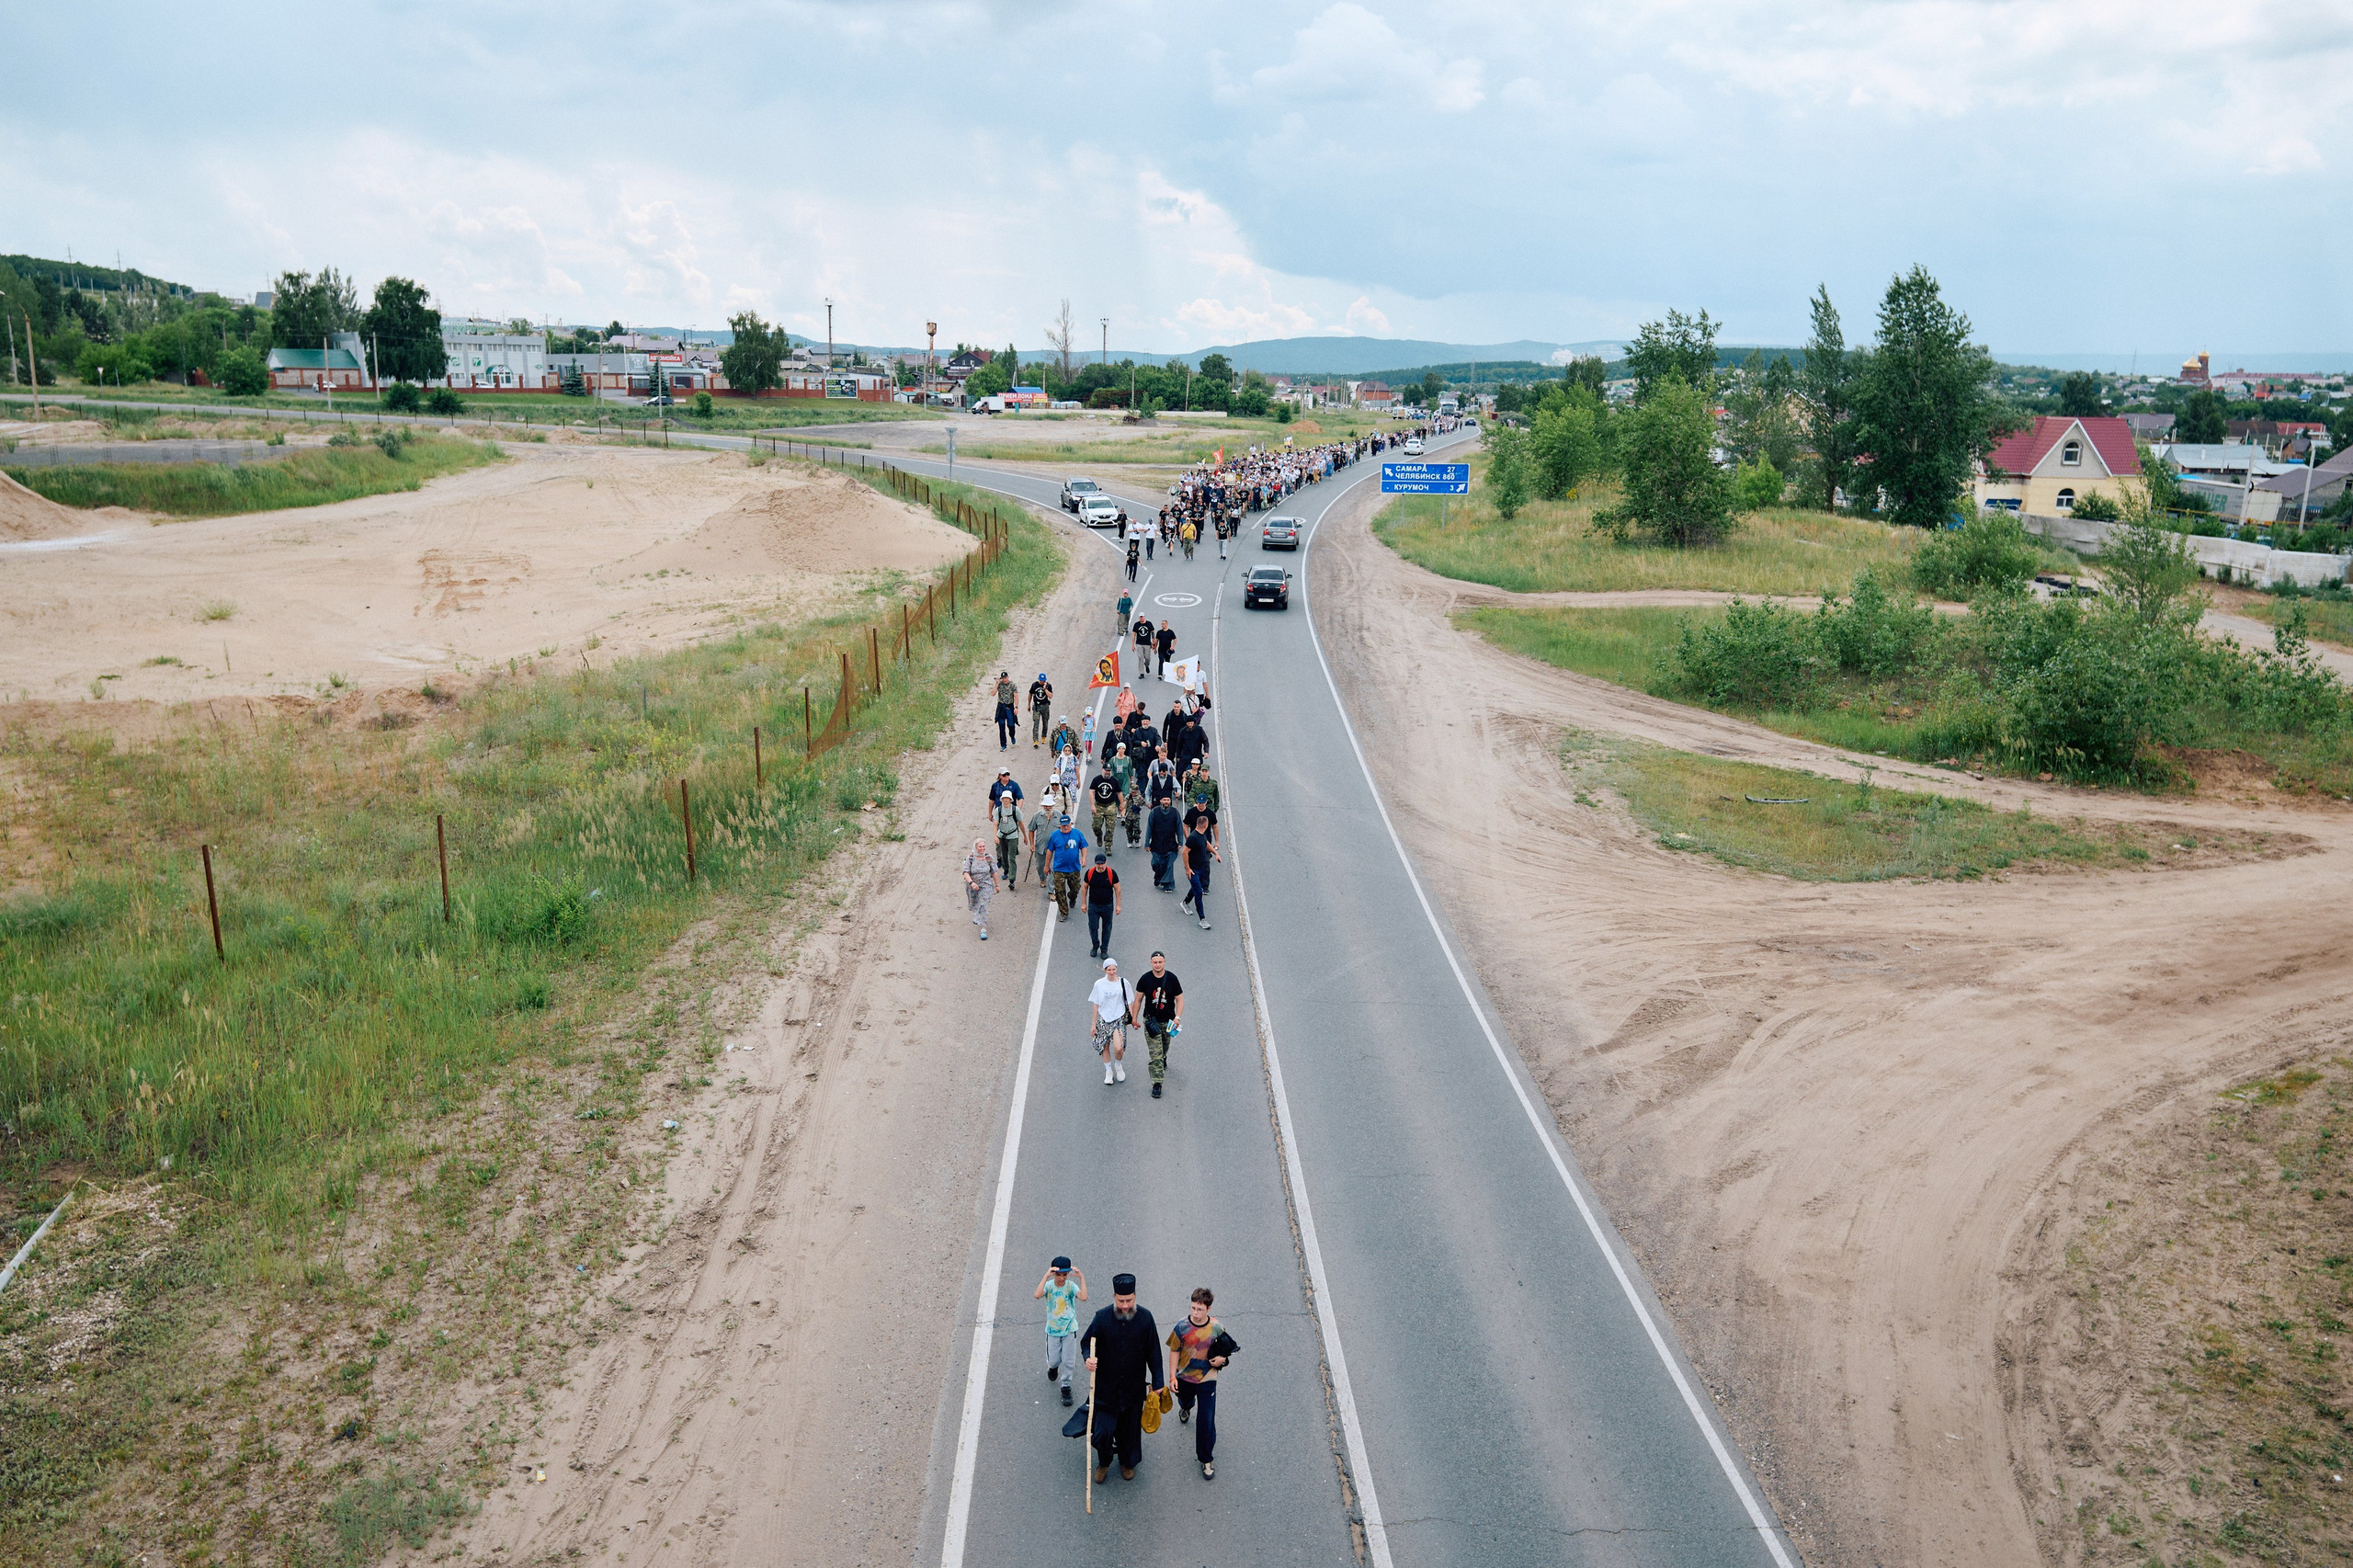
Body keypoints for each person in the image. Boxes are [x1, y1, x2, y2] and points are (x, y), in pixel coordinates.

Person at [1082, 1273, 1164, 1482]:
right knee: (1101, 1433)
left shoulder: (1146, 1318)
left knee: (1129, 1432)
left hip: (1132, 1390)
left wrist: (1158, 1383)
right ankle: (1105, 1461)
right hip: (1105, 1391)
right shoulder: (1101, 1318)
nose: (1125, 1305)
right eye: (1121, 1301)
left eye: (1129, 1300)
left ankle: (1127, 1462)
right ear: (1114, 1297)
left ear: (1135, 1296)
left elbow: (1154, 1352)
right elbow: (1086, 1344)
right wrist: (1088, 1359)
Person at [1165, 1287, 1237, 1479]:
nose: (1195, 1313)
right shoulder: (1181, 1327)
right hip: (1184, 1377)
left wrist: (1222, 1359)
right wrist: (1172, 1376)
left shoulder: (1216, 1328)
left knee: (1206, 1420)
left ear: (1209, 1309)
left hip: (1207, 1378)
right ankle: (1186, 1406)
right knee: (1186, 1401)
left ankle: (1206, 1459)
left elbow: (1226, 1350)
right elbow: (1174, 1350)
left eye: (1200, 1309)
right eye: (1193, 1308)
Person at [1131, 950, 1183, 1099]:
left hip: (1169, 1022)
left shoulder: (1172, 979)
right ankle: (1157, 1083)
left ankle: (1163, 1057)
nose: (1158, 964)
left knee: (1165, 1046)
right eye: (1155, 962)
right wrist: (1134, 1018)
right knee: (1155, 1054)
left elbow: (1179, 999)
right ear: (1151, 962)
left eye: (1160, 962)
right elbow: (1138, 1000)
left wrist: (1177, 1017)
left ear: (1164, 962)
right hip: (1151, 1021)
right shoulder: (1145, 979)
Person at [1037, 1257, 1087, 1406]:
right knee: (1054, 1360)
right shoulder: (1049, 1286)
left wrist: (1082, 1278)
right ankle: (1053, 1368)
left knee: (1069, 1361)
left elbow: (1083, 1297)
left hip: (1069, 1330)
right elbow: (1037, 1295)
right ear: (1053, 1274)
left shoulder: (1070, 1286)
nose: (1061, 1278)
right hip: (1053, 1331)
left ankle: (1066, 1386)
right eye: (1058, 1275)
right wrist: (1045, 1276)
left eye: (1064, 1275)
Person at [1087, 958, 1131, 1085]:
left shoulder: (1123, 982)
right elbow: (1096, 1004)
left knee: (1118, 1047)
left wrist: (1133, 1019)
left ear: (1116, 969)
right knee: (1104, 1046)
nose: (1112, 972)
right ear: (1105, 970)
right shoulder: (1099, 984)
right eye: (1109, 970)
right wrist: (1093, 1024)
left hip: (1118, 1019)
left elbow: (1130, 1001)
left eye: (1114, 969)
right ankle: (1108, 1071)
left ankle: (1118, 1065)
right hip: (1103, 1019)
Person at [1046, 813, 1089, 923]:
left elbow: (1083, 846)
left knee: (1075, 888)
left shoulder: (1077, 834)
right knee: (1059, 891)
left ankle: (1072, 897)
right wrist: (1046, 866)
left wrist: (1084, 858)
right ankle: (1064, 912)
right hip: (1059, 869)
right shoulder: (1054, 836)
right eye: (1063, 825)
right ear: (1060, 825)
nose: (1066, 827)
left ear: (1071, 824)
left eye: (1067, 825)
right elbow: (1050, 851)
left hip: (1074, 868)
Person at [1181, 818, 1221, 929]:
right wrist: (1187, 869)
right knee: (1199, 892)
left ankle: (1185, 902)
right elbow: (1185, 852)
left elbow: (1206, 843)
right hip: (1193, 870)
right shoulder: (1193, 837)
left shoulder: (1202, 834)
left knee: (1196, 887)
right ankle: (1202, 919)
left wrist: (1215, 853)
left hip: (1201, 868)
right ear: (1206, 825)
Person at [1083, 851, 1120, 959]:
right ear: (1095, 863)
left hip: (1107, 906)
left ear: (1106, 863)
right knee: (1093, 927)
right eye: (1098, 864)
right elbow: (1084, 887)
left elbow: (1117, 889)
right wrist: (1083, 903)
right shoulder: (1090, 873)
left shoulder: (1111, 873)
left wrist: (1118, 905)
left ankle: (1104, 949)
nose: (1100, 866)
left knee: (1107, 928)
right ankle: (1095, 946)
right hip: (1093, 906)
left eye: (1102, 864)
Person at [990, 782, 1026, 889]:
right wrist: (995, 836)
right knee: (1004, 857)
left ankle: (1012, 879)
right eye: (1004, 798)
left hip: (1013, 836)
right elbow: (995, 824)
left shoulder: (1016, 810)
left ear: (1010, 800)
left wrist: (1025, 836)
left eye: (1007, 798)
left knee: (1012, 857)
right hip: (1002, 836)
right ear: (1002, 799)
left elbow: (1021, 823)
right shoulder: (999, 810)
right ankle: (1006, 870)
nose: (1006, 800)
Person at [961, 835, 997, 939]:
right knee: (975, 903)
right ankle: (977, 915)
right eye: (980, 847)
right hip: (972, 886)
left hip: (986, 885)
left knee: (983, 904)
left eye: (983, 846)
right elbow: (966, 872)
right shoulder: (970, 858)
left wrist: (997, 885)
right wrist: (972, 883)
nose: (982, 849)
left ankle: (983, 928)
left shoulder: (989, 858)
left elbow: (994, 872)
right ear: (975, 847)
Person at [1145, 795, 1184, 892]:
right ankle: (1159, 877)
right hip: (1156, 844)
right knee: (1155, 863)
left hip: (1170, 844)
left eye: (1168, 800)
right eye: (1164, 800)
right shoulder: (1154, 812)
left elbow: (1179, 828)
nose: (1166, 802)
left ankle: (1168, 885)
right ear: (1160, 801)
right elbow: (1149, 828)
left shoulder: (1175, 813)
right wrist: (1147, 843)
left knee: (1169, 864)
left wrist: (1180, 842)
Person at [1027, 790, 1059, 894]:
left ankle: (1051, 889)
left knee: (1053, 868)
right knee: (1040, 866)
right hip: (1040, 847)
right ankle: (1042, 878)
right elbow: (1031, 830)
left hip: (1054, 848)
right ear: (1043, 806)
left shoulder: (1059, 816)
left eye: (1049, 806)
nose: (1048, 808)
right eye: (1046, 806)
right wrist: (1032, 844)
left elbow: (1065, 830)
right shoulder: (1037, 816)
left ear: (1053, 805)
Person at [1088, 765, 1123, 856]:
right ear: (1102, 770)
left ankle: (1108, 846)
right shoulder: (1096, 779)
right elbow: (1091, 792)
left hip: (1110, 806)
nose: (1107, 772)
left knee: (1110, 828)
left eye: (1109, 771)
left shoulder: (1114, 780)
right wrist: (1092, 805)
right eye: (1106, 770)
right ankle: (1099, 835)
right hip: (1099, 806)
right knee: (1096, 826)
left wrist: (1122, 804)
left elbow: (1119, 792)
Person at [994, 671, 1019, 750]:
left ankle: (1012, 735)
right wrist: (997, 684)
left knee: (1011, 725)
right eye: (1003, 678)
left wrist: (1016, 707)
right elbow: (992, 693)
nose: (1004, 680)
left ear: (1008, 677)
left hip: (1009, 706)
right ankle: (1003, 745)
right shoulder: (1000, 685)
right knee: (1001, 726)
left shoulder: (1012, 685)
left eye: (1005, 678)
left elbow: (1016, 696)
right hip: (1001, 707)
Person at [1028, 673, 1053, 746]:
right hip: (1037, 707)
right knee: (1036, 723)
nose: (1042, 682)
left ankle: (1043, 737)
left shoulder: (1048, 686)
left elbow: (1050, 696)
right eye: (1041, 680)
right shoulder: (1034, 685)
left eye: (1043, 680)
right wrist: (1029, 704)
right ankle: (1035, 740)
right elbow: (1030, 694)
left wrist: (1045, 688)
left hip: (1045, 707)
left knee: (1045, 722)